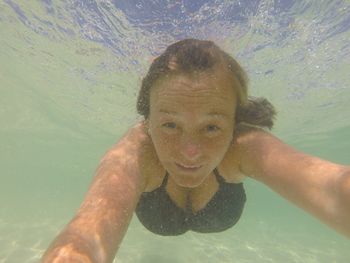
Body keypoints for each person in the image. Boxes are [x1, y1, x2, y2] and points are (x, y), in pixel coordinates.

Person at [41, 39, 350, 263]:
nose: (190, 153)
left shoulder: (243, 146)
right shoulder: (136, 152)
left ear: (234, 122)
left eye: (212, 127)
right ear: (148, 119)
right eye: (170, 126)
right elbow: (85, 233)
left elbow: (333, 190)